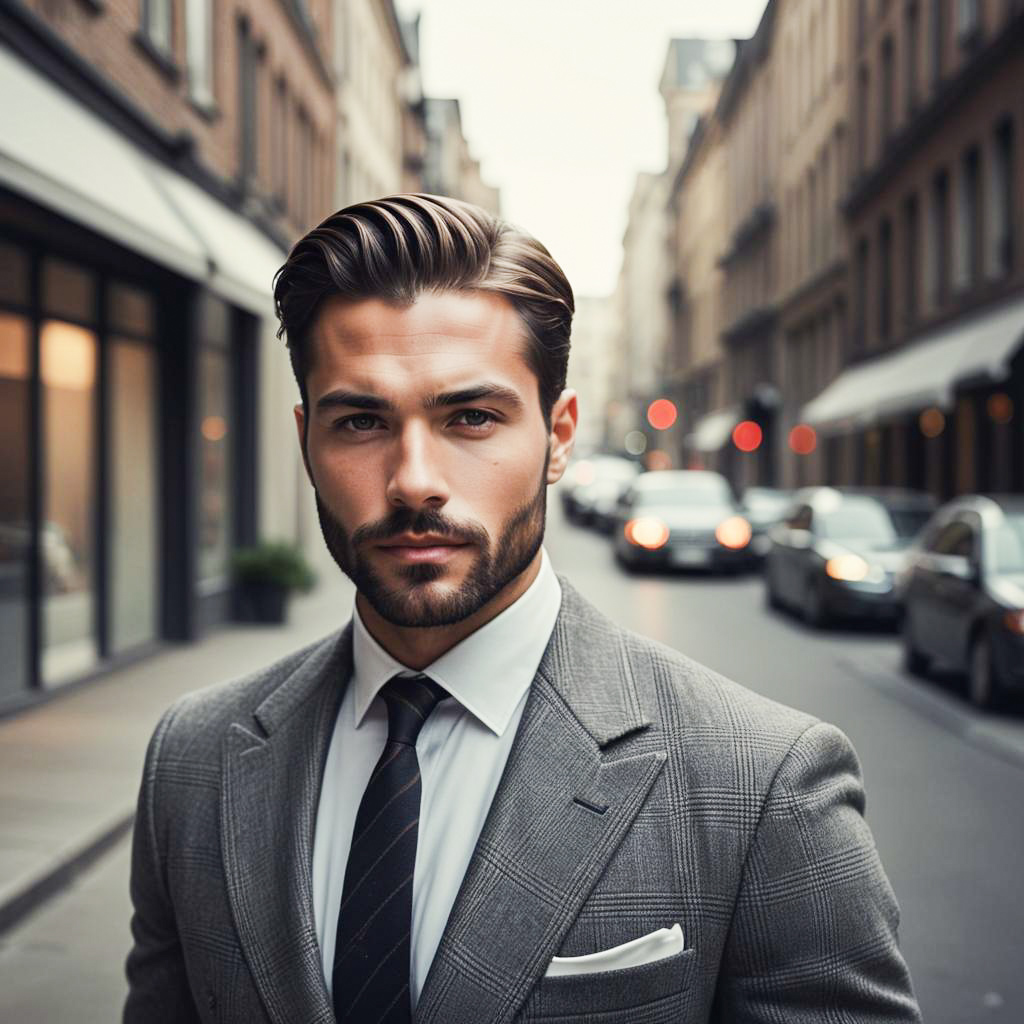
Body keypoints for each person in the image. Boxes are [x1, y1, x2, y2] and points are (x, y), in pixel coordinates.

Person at [124, 193, 922, 1023]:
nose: (414, 480)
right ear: (305, 443)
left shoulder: (761, 783)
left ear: (559, 434)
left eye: (471, 416)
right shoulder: (193, 760)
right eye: (361, 421)